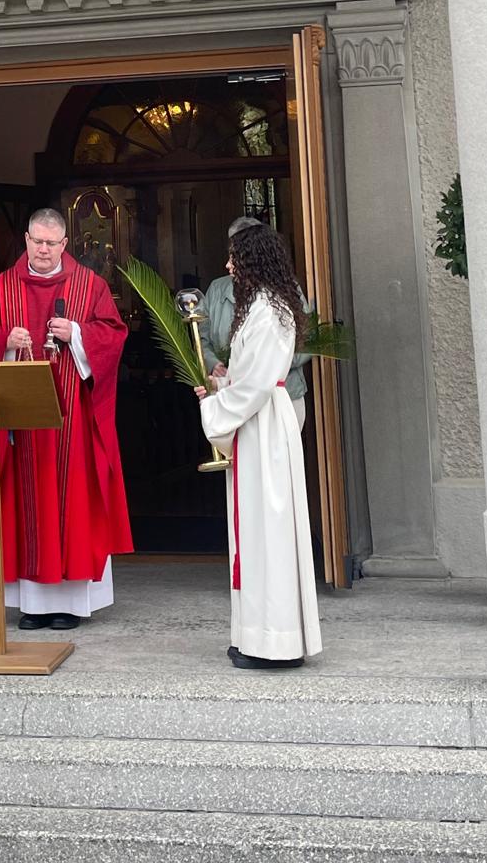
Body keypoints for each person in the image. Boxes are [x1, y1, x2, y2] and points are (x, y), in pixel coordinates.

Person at [0, 206, 133, 631]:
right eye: (36, 242)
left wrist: (77, 334)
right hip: (22, 422)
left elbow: (113, 335)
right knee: (24, 504)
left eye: (51, 243)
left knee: (72, 500)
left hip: (72, 419)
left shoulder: (90, 285)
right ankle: (33, 605)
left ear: (64, 244)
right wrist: (5, 340)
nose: (43, 250)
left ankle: (71, 604)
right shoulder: (2, 287)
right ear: (26, 240)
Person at [197, 223, 322, 670]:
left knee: (269, 532)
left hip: (264, 424)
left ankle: (277, 643)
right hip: (256, 421)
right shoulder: (261, 306)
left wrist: (216, 406)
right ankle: (254, 636)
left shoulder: (270, 311)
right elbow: (247, 375)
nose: (228, 266)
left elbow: (257, 384)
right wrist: (219, 386)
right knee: (253, 533)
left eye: (234, 258)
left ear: (252, 261)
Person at [202, 216, 312, 429]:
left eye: (236, 255)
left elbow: (260, 376)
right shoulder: (217, 290)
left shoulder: (272, 305)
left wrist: (272, 365)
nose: (228, 264)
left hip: (274, 400)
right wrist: (217, 370)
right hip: (237, 396)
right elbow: (202, 337)